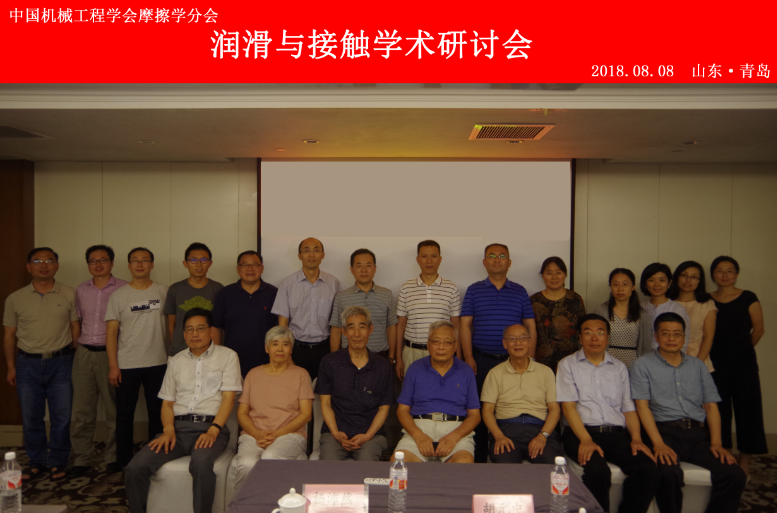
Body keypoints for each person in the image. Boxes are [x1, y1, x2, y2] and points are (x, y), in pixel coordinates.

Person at [124, 308, 242, 513]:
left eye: (200, 328)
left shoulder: (228, 356)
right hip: (177, 430)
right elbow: (167, 403)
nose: (194, 334)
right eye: (189, 329)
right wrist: (168, 429)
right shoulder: (176, 361)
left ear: (211, 331)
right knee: (135, 467)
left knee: (201, 463)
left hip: (210, 428)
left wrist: (213, 430)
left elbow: (228, 400)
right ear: (184, 334)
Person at [631, 312, 746, 513]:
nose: (672, 338)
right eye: (665, 333)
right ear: (656, 336)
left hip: (697, 436)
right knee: (668, 474)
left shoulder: (698, 366)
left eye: (677, 334)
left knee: (735, 474)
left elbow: (711, 406)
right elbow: (642, 407)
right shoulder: (642, 364)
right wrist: (658, 443)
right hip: (663, 433)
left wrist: (716, 442)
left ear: (684, 337)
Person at [556, 313, 660, 513]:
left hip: (616, 435)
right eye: (588, 332)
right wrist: (586, 440)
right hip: (581, 434)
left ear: (608, 337)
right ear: (580, 337)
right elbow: (568, 408)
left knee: (649, 470)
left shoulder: (619, 367)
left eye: (600, 332)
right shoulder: (567, 365)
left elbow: (628, 408)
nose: (595, 338)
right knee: (598, 471)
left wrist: (636, 439)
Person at [3, 247, 79, 481]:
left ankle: (58, 461)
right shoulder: (15, 298)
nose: (43, 265)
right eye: (37, 261)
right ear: (29, 267)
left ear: (56, 265)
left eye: (49, 260)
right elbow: (9, 335)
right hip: (27, 364)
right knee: (31, 417)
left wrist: (75, 359)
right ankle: (36, 461)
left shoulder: (69, 293)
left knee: (61, 416)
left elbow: (75, 328)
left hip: (62, 362)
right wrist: (11, 366)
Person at [460, 243, 536, 462]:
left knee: (507, 409)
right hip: (481, 360)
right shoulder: (474, 290)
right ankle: (478, 461)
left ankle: (504, 456)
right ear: (484, 262)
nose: (496, 259)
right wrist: (468, 358)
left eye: (502, 256)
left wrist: (529, 358)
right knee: (479, 410)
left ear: (509, 262)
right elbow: (464, 325)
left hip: (513, 362)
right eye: (491, 255)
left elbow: (530, 326)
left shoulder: (520, 291)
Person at [106, 247, 169, 469]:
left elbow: (172, 326)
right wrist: (113, 366)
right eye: (135, 260)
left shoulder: (164, 291)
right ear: (129, 265)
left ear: (152, 264)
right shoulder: (118, 296)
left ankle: (153, 460)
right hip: (127, 364)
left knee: (157, 414)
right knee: (124, 415)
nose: (140, 264)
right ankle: (124, 461)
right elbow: (111, 334)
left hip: (159, 362)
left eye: (144, 260)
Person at [231, 326, 313, 491]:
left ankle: (272, 503)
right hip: (254, 434)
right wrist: (257, 434)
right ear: (267, 348)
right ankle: (243, 504)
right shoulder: (253, 374)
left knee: (270, 458)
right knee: (246, 464)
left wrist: (276, 434)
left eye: (285, 344)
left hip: (290, 434)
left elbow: (306, 415)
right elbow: (242, 413)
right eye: (275, 344)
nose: (280, 349)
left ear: (291, 349)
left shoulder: (301, 374)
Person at [70, 245, 128, 477]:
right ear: (88, 264)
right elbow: (76, 320)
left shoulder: (124, 288)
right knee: (82, 409)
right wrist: (77, 347)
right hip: (84, 353)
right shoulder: (81, 289)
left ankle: (112, 456)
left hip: (111, 354)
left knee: (114, 409)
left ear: (112, 263)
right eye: (93, 261)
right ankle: (82, 457)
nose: (98, 264)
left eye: (103, 260)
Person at [709, 256, 767, 476]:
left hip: (744, 363)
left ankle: (745, 464)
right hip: (714, 363)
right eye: (719, 270)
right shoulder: (707, 299)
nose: (725, 275)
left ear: (736, 274)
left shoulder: (748, 297)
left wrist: (741, 350)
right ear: (713, 274)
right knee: (718, 411)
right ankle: (724, 459)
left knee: (748, 411)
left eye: (730, 270)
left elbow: (758, 330)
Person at [393, 320, 480, 463]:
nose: (441, 347)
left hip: (455, 429)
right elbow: (402, 410)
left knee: (463, 464)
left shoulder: (466, 371)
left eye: (447, 342)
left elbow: (475, 415)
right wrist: (418, 435)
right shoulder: (415, 368)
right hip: (419, 427)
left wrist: (455, 436)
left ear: (455, 346)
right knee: (399, 463)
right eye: (436, 341)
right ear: (428, 344)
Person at [316, 306, 393, 461]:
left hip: (372, 436)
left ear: (370, 329)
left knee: (366, 465)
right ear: (344, 331)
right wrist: (336, 433)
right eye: (351, 328)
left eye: (362, 327)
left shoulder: (383, 366)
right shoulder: (330, 362)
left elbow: (384, 408)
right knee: (329, 468)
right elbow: (325, 404)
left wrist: (367, 436)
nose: (357, 334)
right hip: (334, 434)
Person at [481, 324, 563, 464]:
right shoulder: (495, 373)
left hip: (539, 429)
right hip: (507, 430)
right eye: (512, 338)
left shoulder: (545, 372)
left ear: (530, 342)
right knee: (506, 468)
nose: (518, 343)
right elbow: (487, 410)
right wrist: (499, 436)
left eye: (523, 338)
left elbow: (554, 409)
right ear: (505, 344)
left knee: (551, 467)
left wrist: (542, 436)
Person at [272, 237, 341, 380]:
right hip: (297, 349)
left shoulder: (333, 283)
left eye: (316, 250)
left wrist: (334, 356)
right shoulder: (287, 284)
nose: (311, 255)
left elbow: (337, 323)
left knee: (323, 390)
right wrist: (287, 354)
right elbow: (283, 324)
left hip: (325, 348)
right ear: (299, 256)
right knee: (295, 389)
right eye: (306, 250)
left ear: (322, 255)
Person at [395, 240, 462, 380]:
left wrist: (459, 357)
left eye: (434, 256)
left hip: (442, 352)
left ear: (440, 259)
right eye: (424, 256)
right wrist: (398, 358)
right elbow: (401, 325)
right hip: (412, 352)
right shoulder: (406, 288)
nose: (429, 261)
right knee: (412, 391)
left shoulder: (451, 288)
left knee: (442, 390)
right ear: (418, 259)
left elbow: (456, 325)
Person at [212, 250, 278, 377]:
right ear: (238, 269)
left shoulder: (274, 293)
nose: (250, 268)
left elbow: (279, 330)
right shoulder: (225, 294)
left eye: (255, 264)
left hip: (266, 360)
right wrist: (216, 357)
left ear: (262, 268)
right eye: (245, 265)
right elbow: (216, 327)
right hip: (231, 361)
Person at [330, 248, 398, 359]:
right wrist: (335, 359)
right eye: (359, 266)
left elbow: (391, 327)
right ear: (352, 269)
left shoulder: (387, 294)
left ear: (374, 268)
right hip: (349, 356)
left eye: (368, 265)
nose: (364, 270)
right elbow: (336, 329)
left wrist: (391, 357)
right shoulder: (341, 297)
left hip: (380, 355)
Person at [164, 242, 223, 356]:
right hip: (180, 351)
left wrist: (217, 351)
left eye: (204, 260)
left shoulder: (218, 289)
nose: (199, 264)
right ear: (185, 263)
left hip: (210, 352)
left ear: (210, 263)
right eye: (193, 260)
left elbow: (219, 325)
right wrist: (174, 347)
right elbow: (171, 324)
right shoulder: (175, 289)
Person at [529, 256, 586, 373]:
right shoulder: (533, 301)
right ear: (542, 276)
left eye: (558, 273)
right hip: (541, 363)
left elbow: (583, 330)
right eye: (549, 273)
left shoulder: (575, 299)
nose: (554, 277)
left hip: (572, 363)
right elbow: (528, 332)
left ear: (565, 275)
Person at [593, 268, 654, 368]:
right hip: (606, 362)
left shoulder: (642, 314)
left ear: (633, 287)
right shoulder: (601, 310)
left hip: (633, 364)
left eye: (625, 284)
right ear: (610, 286)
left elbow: (646, 346)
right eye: (615, 284)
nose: (620, 289)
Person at [667, 261, 717, 372]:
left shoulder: (707, 304)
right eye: (684, 275)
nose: (688, 280)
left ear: (700, 281)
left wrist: (697, 364)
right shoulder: (667, 303)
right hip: (668, 360)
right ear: (676, 277)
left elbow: (708, 337)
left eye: (694, 277)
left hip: (697, 359)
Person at [639, 262, 690, 352]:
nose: (657, 284)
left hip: (669, 356)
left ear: (669, 283)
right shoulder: (639, 307)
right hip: (643, 357)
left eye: (662, 280)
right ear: (645, 283)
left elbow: (683, 341)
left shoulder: (677, 309)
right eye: (651, 280)